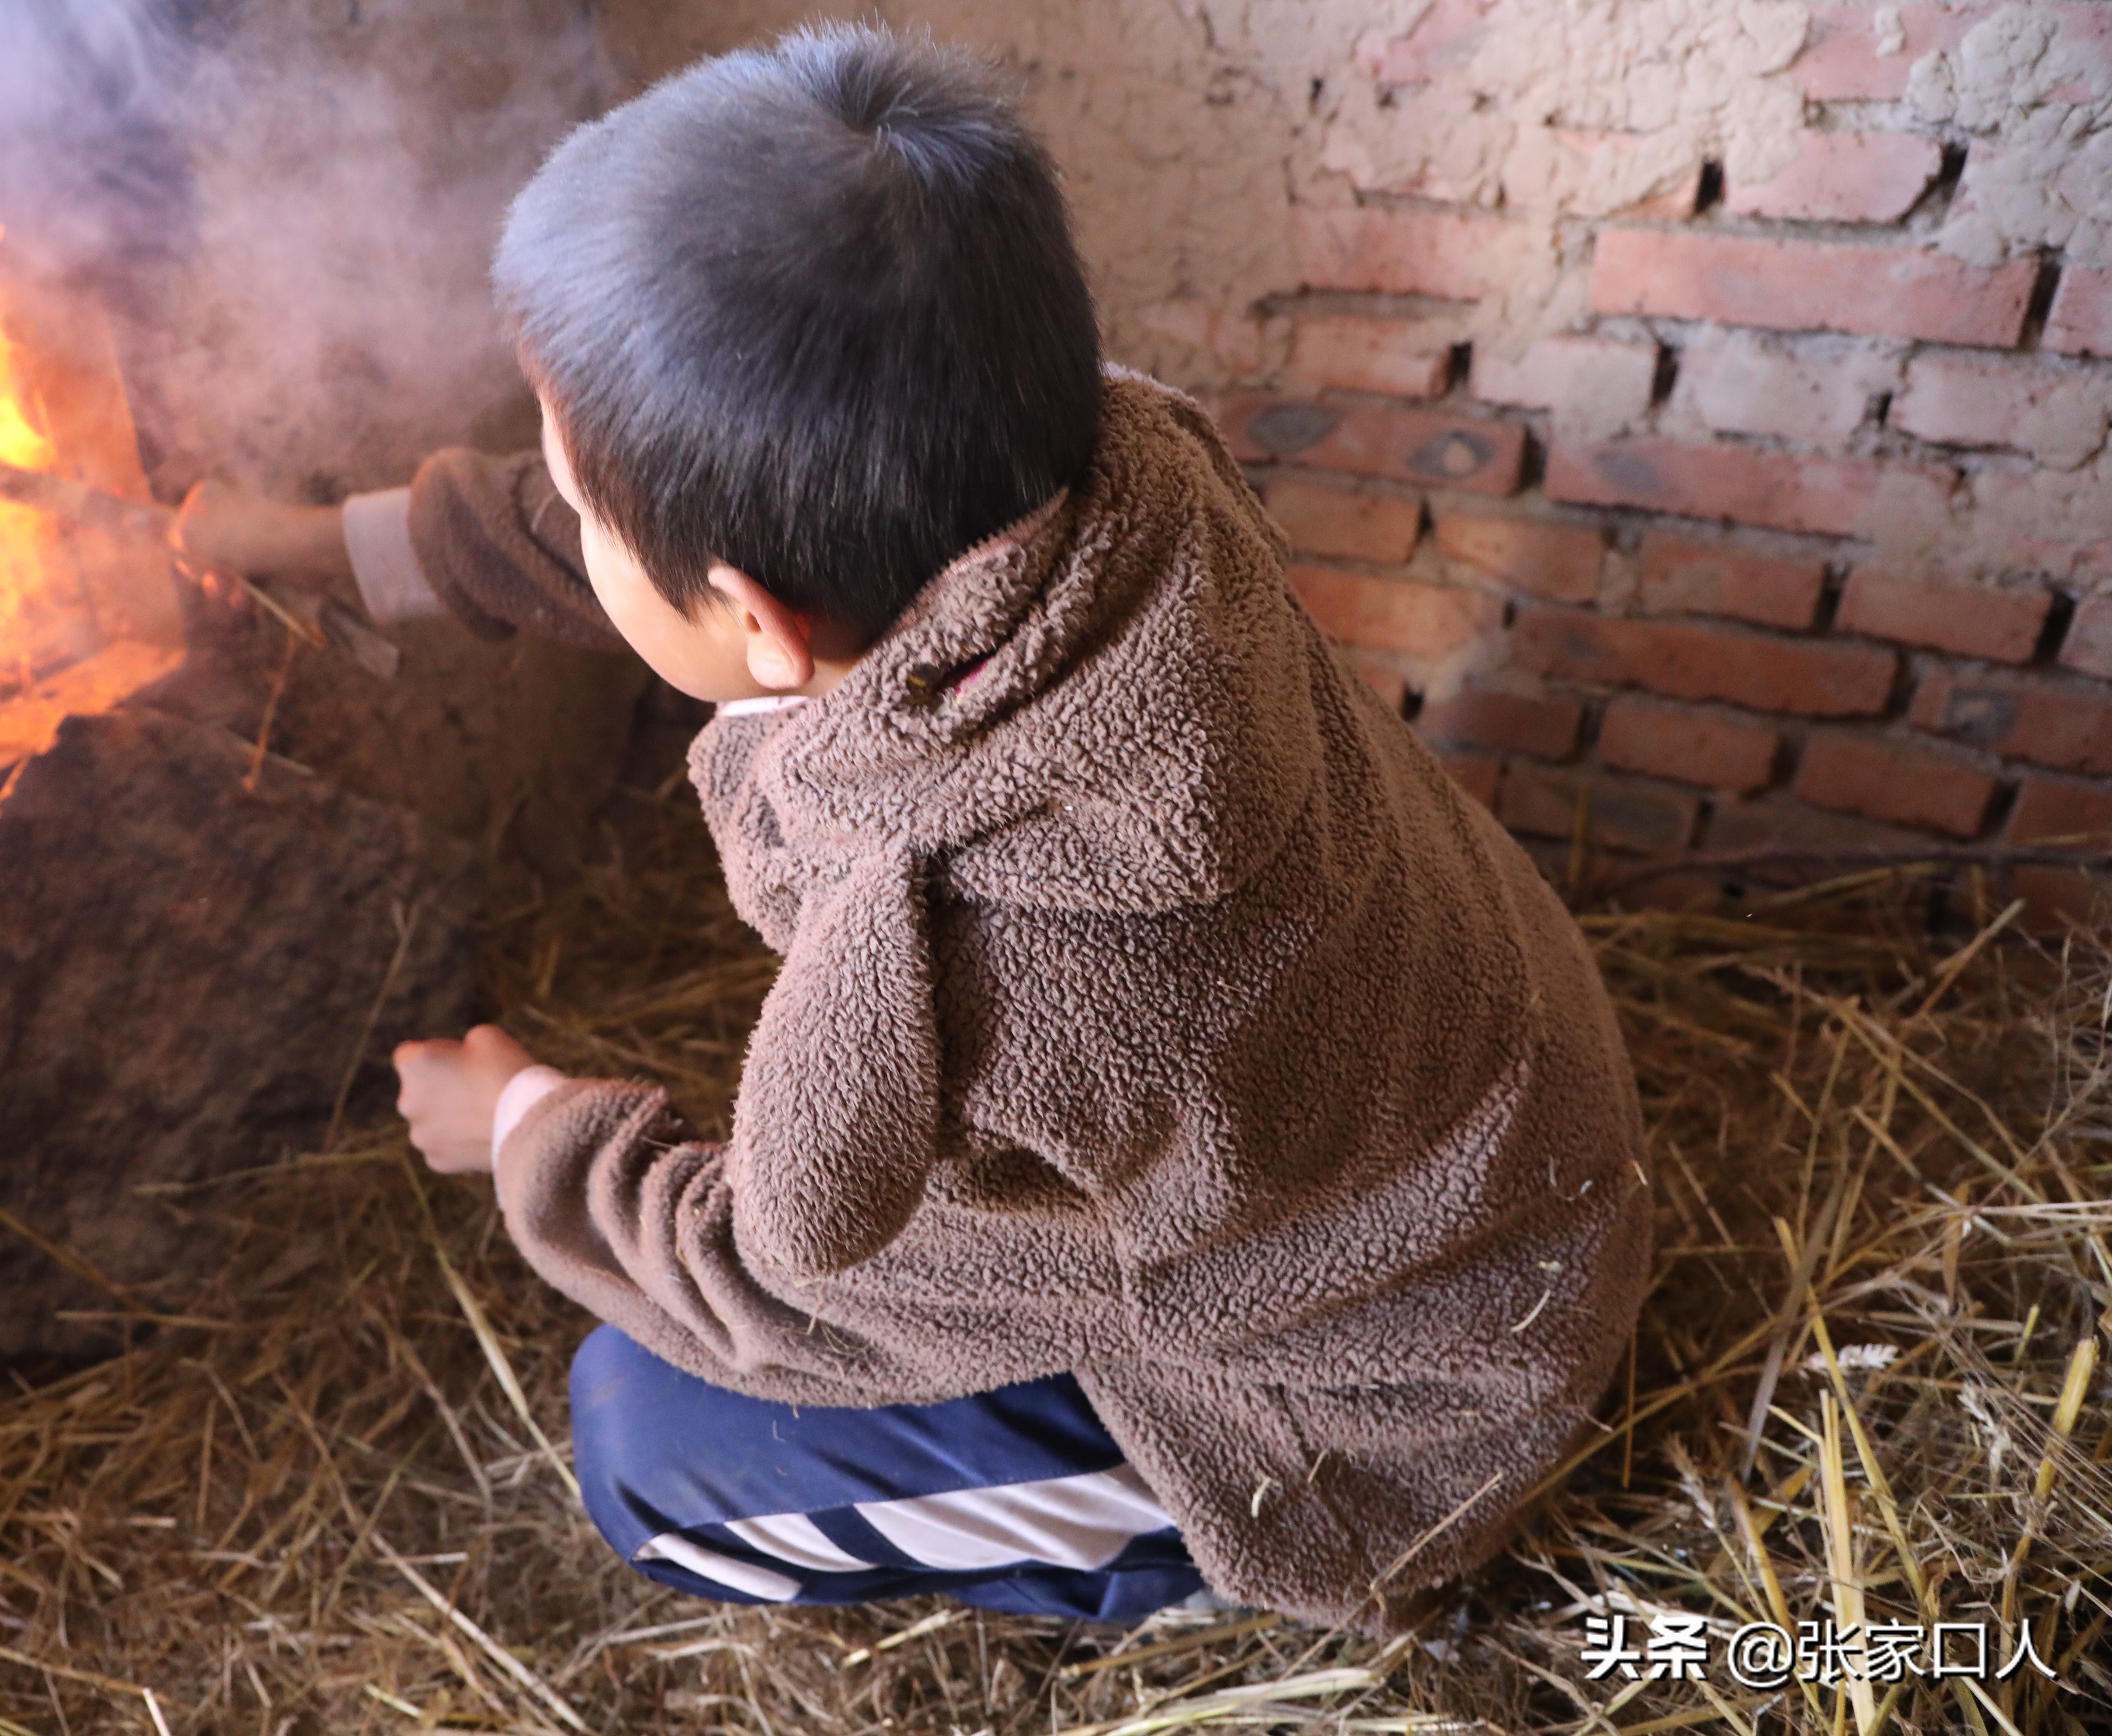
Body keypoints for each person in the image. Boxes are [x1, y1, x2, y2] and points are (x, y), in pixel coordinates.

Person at [175, 23, 1652, 1635]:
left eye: (588, 510)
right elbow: (659, 522)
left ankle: (1204, 1562)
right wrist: (321, 546)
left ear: (750, 614)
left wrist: (524, 1123)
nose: (576, 525)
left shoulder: (1033, 988)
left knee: (645, 1435)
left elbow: (775, 1293)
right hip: (1501, 1146)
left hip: (1390, 1392)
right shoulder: (1083, 483)